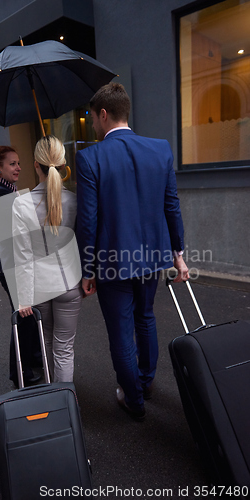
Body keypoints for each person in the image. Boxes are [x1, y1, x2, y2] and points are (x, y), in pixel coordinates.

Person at [75, 83, 189, 421]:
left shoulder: (90, 157)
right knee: (146, 317)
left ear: (104, 114)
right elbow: (172, 206)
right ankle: (147, 382)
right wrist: (177, 253)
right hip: (153, 258)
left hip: (112, 263)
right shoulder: (160, 149)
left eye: (93, 118)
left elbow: (88, 220)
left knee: (121, 331)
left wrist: (87, 270)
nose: (93, 124)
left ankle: (134, 400)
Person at [12, 135, 82, 383]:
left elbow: (22, 257)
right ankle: (66, 401)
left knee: (48, 344)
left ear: (35, 164)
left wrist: (24, 298)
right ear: (63, 166)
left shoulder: (21, 205)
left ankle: (55, 399)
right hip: (69, 283)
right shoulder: (74, 201)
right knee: (64, 349)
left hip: (40, 288)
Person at [0, 146, 41, 387]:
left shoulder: (9, 190)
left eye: (19, 163)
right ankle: (20, 373)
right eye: (12, 164)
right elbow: (13, 237)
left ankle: (32, 358)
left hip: (14, 264)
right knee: (23, 316)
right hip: (12, 266)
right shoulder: (0, 194)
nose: (18, 167)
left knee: (27, 316)